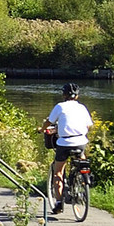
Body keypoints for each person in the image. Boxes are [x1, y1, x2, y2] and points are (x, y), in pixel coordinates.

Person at [45, 81, 92, 213]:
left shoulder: (60, 107)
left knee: (58, 172)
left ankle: (59, 203)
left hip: (64, 143)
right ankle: (84, 179)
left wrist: (42, 129)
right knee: (82, 162)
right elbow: (88, 125)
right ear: (77, 96)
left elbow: (49, 121)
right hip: (81, 141)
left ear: (64, 95)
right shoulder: (82, 108)